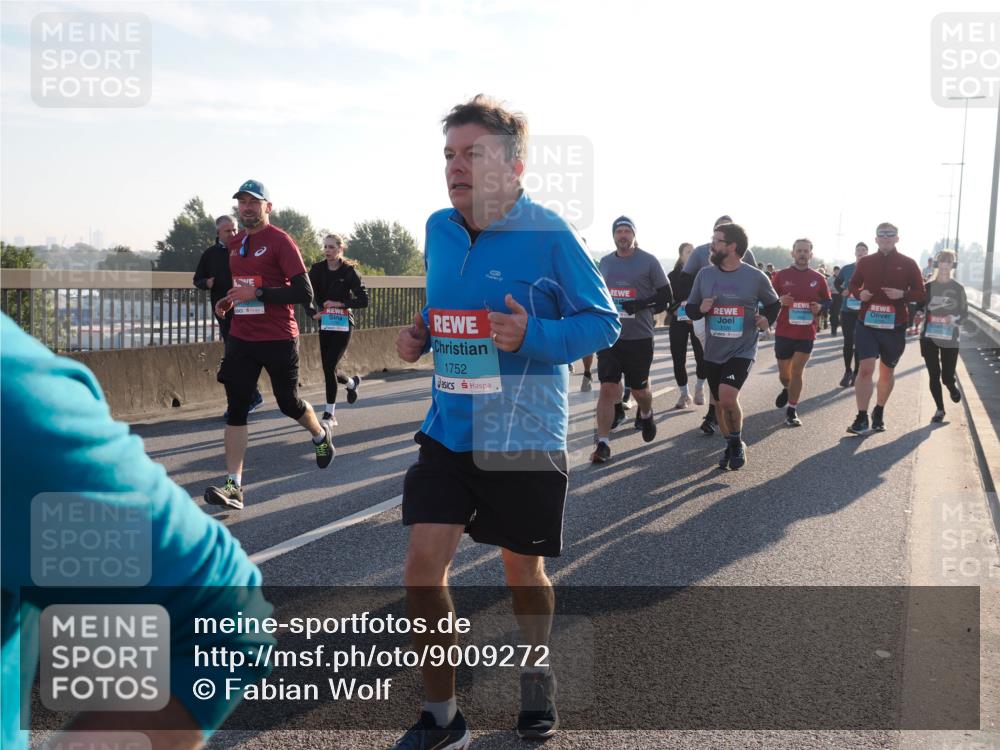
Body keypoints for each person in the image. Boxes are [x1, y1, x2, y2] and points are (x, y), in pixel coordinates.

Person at [393, 95, 619, 748]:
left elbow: (602, 320)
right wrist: (420, 337)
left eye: (473, 154)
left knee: (522, 572)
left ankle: (537, 671)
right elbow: (449, 314)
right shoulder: (437, 227)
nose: (455, 167)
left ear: (515, 166)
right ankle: (442, 716)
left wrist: (532, 335)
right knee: (420, 566)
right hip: (448, 430)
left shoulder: (548, 232)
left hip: (524, 435)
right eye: (449, 155)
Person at [1, 313, 272, 750]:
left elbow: (221, 615)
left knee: (286, 402)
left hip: (275, 347)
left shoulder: (9, 398)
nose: (230, 238)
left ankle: (315, 429)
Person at [203, 180, 334, 511]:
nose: (247, 207)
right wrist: (229, 301)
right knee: (236, 409)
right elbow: (244, 286)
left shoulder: (281, 242)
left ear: (267, 207)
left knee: (288, 402)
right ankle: (235, 486)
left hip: (279, 337)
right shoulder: (236, 244)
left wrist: (259, 294)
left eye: (253, 202)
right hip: (242, 337)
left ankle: (320, 435)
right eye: (242, 202)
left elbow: (304, 294)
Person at [685, 223, 779, 470]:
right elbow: (691, 308)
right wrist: (701, 309)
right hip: (714, 351)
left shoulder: (756, 277)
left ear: (732, 246)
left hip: (743, 348)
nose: (711, 245)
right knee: (719, 404)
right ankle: (730, 441)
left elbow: (774, 304)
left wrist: (766, 319)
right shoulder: (705, 275)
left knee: (727, 397)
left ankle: (737, 443)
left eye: (716, 240)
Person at [591, 216, 671, 463]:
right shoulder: (603, 263)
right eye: (619, 232)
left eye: (627, 231)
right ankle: (603, 443)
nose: (623, 235)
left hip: (639, 337)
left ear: (634, 235)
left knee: (639, 389)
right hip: (610, 337)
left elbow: (666, 295)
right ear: (613, 236)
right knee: (607, 388)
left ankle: (646, 412)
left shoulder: (648, 261)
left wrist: (640, 303)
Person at [676, 215, 758, 435]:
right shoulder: (701, 253)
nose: (714, 242)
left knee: (726, 373)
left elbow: (755, 282)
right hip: (706, 316)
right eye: (715, 232)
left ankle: (715, 411)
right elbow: (683, 282)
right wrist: (696, 302)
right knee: (713, 362)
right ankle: (715, 403)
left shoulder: (744, 253)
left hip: (737, 318)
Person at [846, 222, 925, 434]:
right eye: (882, 235)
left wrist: (903, 295)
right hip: (867, 323)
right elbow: (853, 285)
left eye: (890, 234)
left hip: (894, 325)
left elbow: (920, 292)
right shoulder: (866, 262)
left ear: (897, 238)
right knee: (866, 369)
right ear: (876, 239)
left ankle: (878, 410)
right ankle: (861, 417)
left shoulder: (908, 263)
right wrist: (858, 294)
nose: (886, 238)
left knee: (887, 372)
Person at [193, 214, 263, 418]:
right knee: (234, 356)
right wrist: (206, 283)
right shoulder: (210, 254)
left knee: (247, 355)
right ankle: (250, 398)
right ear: (218, 233)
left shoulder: (245, 248)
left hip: (248, 308)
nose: (232, 233)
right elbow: (197, 279)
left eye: (234, 229)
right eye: (227, 231)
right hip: (225, 313)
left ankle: (249, 398)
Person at [308, 233, 368, 427]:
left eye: (332, 247)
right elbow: (305, 293)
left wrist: (340, 304)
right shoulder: (316, 270)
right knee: (329, 367)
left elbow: (363, 300)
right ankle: (351, 383)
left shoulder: (349, 272)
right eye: (325, 247)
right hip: (325, 322)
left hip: (343, 324)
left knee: (329, 365)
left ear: (341, 249)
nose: (327, 250)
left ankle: (329, 414)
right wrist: (312, 313)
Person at [771, 239, 831, 426]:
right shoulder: (781, 275)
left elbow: (828, 301)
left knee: (797, 371)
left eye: (806, 251)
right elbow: (769, 299)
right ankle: (787, 389)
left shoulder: (818, 278)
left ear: (811, 255)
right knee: (785, 375)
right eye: (799, 250)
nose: (802, 254)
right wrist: (780, 300)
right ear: (793, 253)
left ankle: (792, 410)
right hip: (784, 331)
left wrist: (820, 306)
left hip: (806, 332)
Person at [918, 250, 967, 422]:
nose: (946, 264)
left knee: (946, 377)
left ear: (953, 265)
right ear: (938, 264)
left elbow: (964, 315)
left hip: (950, 338)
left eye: (949, 261)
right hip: (929, 337)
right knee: (933, 374)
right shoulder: (928, 286)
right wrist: (917, 313)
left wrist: (953, 318)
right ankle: (940, 409)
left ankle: (952, 388)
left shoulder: (958, 288)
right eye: (943, 261)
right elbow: (919, 306)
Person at [667, 242, 707, 408]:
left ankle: (699, 387)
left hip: (697, 319)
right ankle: (684, 394)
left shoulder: (702, 274)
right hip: (678, 321)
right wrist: (673, 310)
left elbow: (706, 297)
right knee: (678, 358)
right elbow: (667, 299)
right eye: (688, 252)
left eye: (693, 252)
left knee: (701, 357)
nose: (691, 255)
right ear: (681, 255)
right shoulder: (672, 276)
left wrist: (697, 313)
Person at [833, 242, 869, 387]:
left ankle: (856, 372)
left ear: (867, 253)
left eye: (863, 250)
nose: (860, 252)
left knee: (859, 342)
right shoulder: (847, 269)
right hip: (847, 310)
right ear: (855, 253)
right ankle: (847, 371)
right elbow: (837, 283)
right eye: (858, 250)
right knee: (848, 341)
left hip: (864, 311)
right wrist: (842, 291)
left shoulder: (871, 269)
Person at [829, 265, 842, 336]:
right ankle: (833, 329)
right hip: (833, 296)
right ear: (833, 271)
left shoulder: (842, 278)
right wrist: (831, 288)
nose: (837, 272)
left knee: (841, 314)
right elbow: (827, 288)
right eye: (835, 271)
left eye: (838, 271)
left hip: (840, 296)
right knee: (833, 313)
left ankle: (843, 329)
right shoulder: (830, 279)